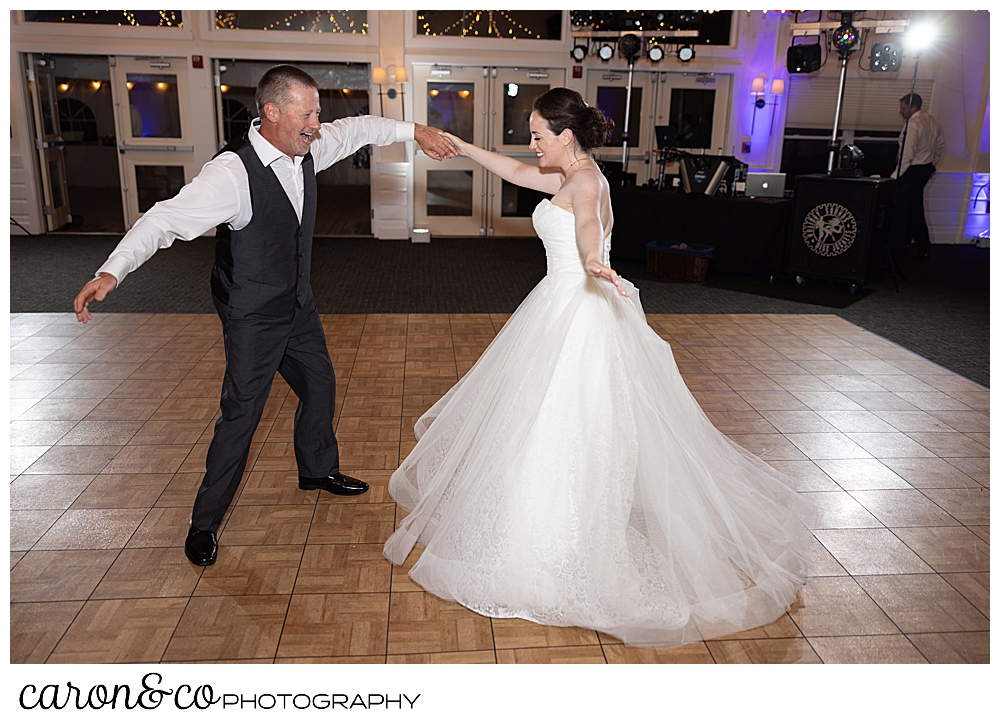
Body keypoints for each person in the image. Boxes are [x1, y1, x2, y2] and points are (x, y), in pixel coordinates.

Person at [382, 88, 815, 648]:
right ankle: (538, 536)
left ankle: (556, 548)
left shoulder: (583, 182)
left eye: (539, 133)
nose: (532, 142)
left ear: (566, 136)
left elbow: (587, 224)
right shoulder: (566, 172)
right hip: (561, 306)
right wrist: (463, 147)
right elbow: (514, 169)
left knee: (560, 428)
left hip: (577, 309)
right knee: (544, 426)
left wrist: (592, 257)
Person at [72, 64, 458, 567]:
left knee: (319, 383)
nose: (317, 122)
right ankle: (203, 524)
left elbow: (362, 127)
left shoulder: (309, 146)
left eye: (317, 112)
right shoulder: (230, 175)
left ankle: (317, 469)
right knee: (241, 417)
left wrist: (418, 132)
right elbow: (163, 219)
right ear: (271, 112)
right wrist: (112, 272)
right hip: (252, 314)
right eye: (308, 113)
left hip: (295, 303)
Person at [889, 92, 944, 260]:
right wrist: (932, 163)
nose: (901, 112)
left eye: (903, 108)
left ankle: (921, 246)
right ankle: (908, 243)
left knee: (911, 209)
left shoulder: (913, 125)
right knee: (911, 207)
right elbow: (940, 146)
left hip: (911, 171)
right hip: (924, 168)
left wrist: (893, 177)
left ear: (913, 107)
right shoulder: (932, 120)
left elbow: (907, 155)